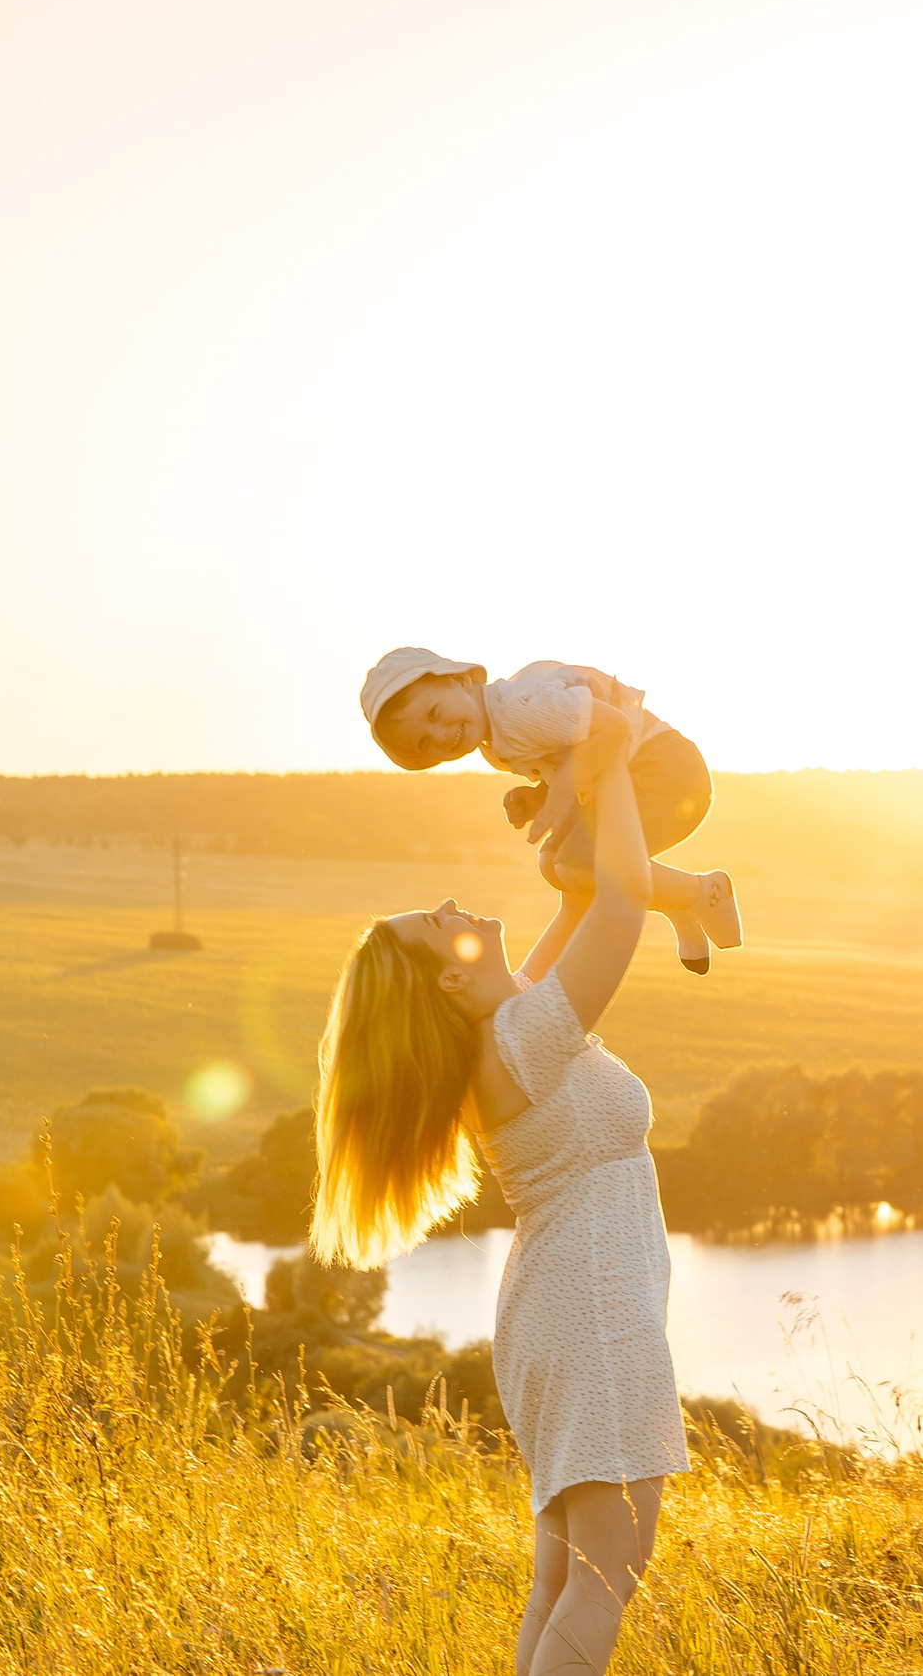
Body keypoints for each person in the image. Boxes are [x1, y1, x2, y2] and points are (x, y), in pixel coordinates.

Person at [311, 703, 683, 1673]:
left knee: (566, 1582)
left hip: (566, 1314)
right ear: (445, 982)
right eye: (438, 924)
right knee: (604, 1580)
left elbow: (579, 905)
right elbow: (625, 899)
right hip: (590, 1316)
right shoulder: (521, 1040)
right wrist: (602, 766)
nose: (452, 905)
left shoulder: (512, 1026)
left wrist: (573, 818)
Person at [359, 645, 742, 974]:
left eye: (433, 713)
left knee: (581, 866)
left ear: (461, 680)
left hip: (664, 772)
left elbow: (613, 727)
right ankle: (682, 903)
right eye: (425, 742)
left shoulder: (515, 712)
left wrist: (559, 793)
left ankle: (704, 892)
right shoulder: (496, 737)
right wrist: (540, 796)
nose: (442, 734)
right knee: (554, 866)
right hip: (623, 779)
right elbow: (575, 754)